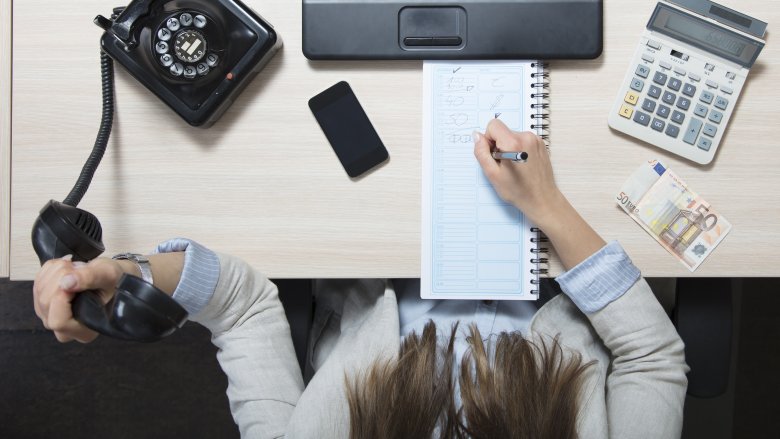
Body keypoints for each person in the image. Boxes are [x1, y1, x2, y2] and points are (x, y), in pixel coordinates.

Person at [33, 120, 688, 438]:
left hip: (372, 227)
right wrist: (545, 203)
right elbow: (651, 357)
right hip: (552, 251)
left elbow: (243, 309)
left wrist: (129, 276)